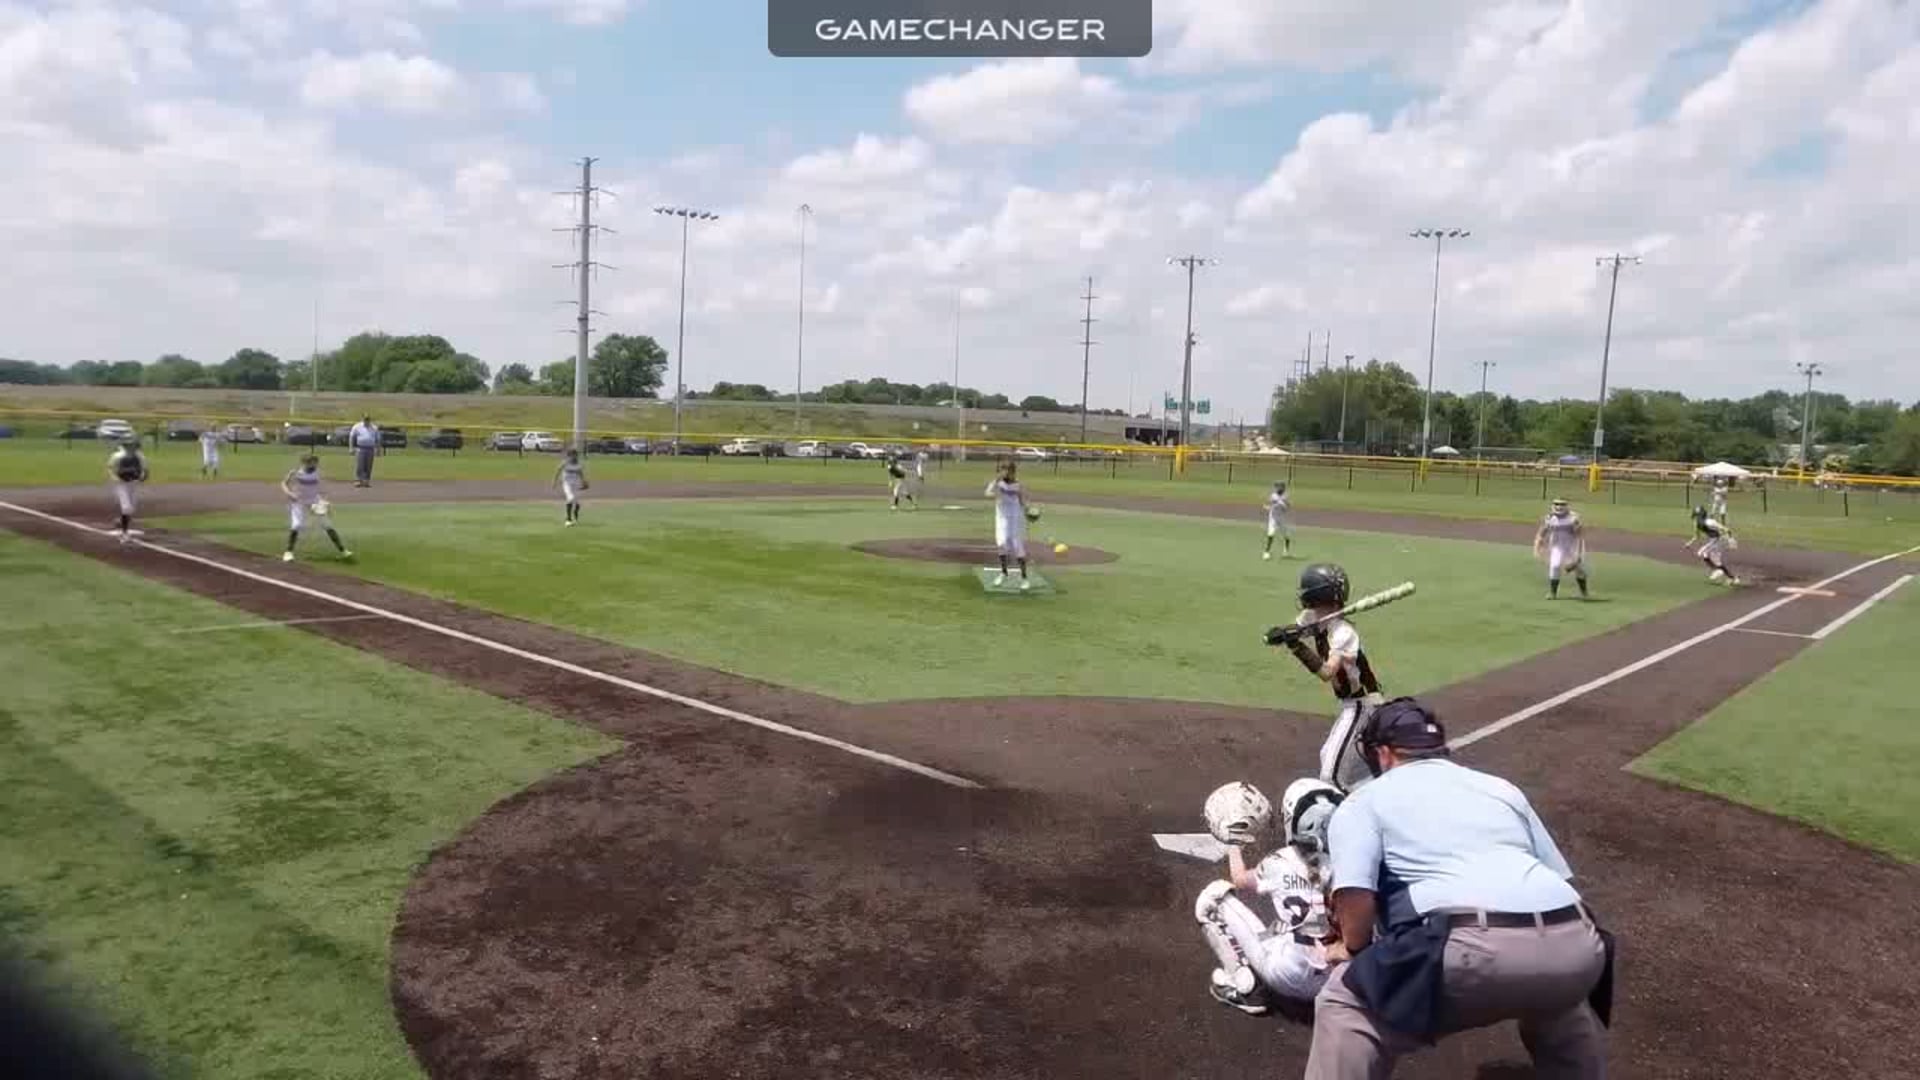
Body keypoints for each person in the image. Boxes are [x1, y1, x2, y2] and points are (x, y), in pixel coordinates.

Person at [1306, 697, 1612, 1080]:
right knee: (1557, 999)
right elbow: (1560, 879)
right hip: (1579, 943)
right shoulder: (1502, 789)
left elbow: (1355, 895)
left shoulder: (1363, 801)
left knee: (1345, 1003)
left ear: (1382, 754)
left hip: (1473, 952)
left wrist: (1351, 948)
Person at [1195, 777, 1346, 1016]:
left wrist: (1234, 842)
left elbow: (1240, 879)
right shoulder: (1355, 865)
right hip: (1334, 983)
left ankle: (1243, 987)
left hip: (1286, 977)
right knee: (1289, 927)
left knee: (1214, 896)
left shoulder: (1280, 862)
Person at [1265, 564, 1385, 792]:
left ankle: (1352, 807)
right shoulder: (1313, 617)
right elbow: (1299, 628)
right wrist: (1281, 633)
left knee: (1330, 775)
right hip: (1351, 705)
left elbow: (1327, 672)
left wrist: (1296, 647)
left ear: (1315, 596)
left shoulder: (1344, 633)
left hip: (1364, 706)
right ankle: (1378, 788)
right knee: (1331, 758)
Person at [280, 455, 352, 562]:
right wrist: (290, 494)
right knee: (297, 525)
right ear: (304, 463)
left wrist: (325, 502)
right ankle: (288, 553)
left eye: (315, 463)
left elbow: (320, 489)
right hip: (299, 503)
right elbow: (284, 483)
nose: (314, 465)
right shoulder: (296, 474)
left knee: (327, 525)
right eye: (311, 463)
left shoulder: (317, 473)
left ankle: (343, 551)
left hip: (315, 502)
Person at [985, 460, 1032, 591]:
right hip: (1001, 520)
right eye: (1003, 470)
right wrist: (995, 494)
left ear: (1013, 472)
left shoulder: (1018, 484)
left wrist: (1028, 511)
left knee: (1018, 548)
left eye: (1008, 470)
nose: (1005, 472)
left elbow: (1022, 501)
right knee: (1001, 544)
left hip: (1015, 520)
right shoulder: (998, 482)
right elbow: (987, 492)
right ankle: (1004, 573)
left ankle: (1024, 578)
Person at [1533, 497, 1591, 600]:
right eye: (1556, 504)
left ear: (1567, 506)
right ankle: (1553, 593)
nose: (1559, 507)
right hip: (1557, 547)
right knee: (1555, 566)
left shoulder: (1573, 518)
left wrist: (1578, 553)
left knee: (1580, 569)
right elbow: (1542, 533)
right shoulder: (1549, 518)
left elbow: (1579, 535)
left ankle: (1584, 592)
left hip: (1573, 545)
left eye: (1562, 504)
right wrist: (1537, 546)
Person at [104, 436, 148, 544]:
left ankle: (121, 520)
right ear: (126, 446)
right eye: (132, 445)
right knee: (126, 508)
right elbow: (109, 467)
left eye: (135, 446)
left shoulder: (140, 456)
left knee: (131, 509)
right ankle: (124, 535)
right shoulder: (118, 456)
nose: (134, 447)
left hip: (134, 484)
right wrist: (114, 477)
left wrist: (143, 476)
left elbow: (145, 469)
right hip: (121, 484)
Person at [1685, 505, 1740, 585]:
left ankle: (1717, 570)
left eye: (1697, 516)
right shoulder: (1697, 524)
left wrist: (1730, 539)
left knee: (1702, 553)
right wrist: (1689, 543)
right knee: (1716, 561)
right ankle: (1733, 578)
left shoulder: (1710, 522)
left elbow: (1725, 529)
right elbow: (1697, 536)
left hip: (1719, 540)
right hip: (1715, 541)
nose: (1696, 518)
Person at [555, 448, 589, 526]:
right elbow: (558, 470)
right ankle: (568, 520)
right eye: (571, 455)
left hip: (576, 484)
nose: (573, 457)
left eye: (575, 455)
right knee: (570, 498)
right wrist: (554, 482)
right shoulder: (565, 463)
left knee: (576, 502)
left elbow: (580, 473)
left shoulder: (579, 464)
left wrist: (584, 482)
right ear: (569, 456)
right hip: (567, 484)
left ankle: (576, 510)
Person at [1264, 481, 1293, 561]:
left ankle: (1286, 551)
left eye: (1281, 487)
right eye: (1278, 487)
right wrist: (1268, 507)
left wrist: (1284, 505)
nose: (1279, 489)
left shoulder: (1285, 496)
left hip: (1281, 518)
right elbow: (1269, 504)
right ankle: (1266, 552)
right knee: (1271, 534)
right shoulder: (1273, 496)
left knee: (1286, 535)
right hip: (1273, 518)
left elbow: (1288, 506)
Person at [348, 415, 379, 487]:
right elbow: (352, 437)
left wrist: (378, 449)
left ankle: (366, 481)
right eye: (365, 419)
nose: (366, 421)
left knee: (369, 465)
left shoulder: (374, 428)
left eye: (368, 419)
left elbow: (377, 439)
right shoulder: (357, 426)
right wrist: (351, 447)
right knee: (360, 465)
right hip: (360, 448)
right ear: (362, 419)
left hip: (370, 448)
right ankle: (358, 480)